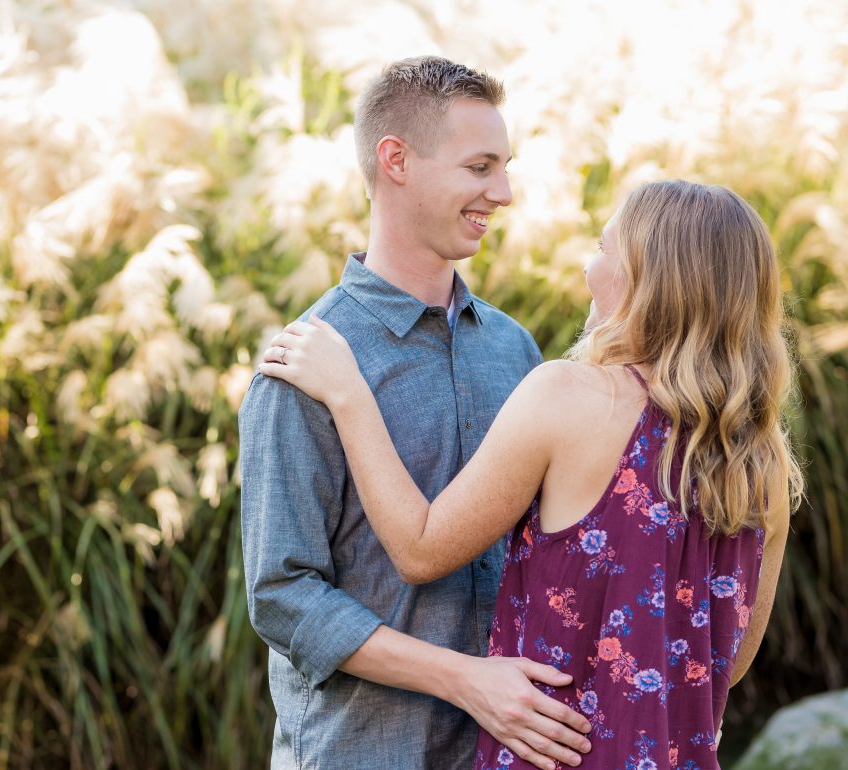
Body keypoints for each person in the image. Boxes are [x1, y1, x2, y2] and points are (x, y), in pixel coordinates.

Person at [258, 179, 804, 770]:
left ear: (649, 279)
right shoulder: (766, 464)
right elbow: (725, 657)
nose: (589, 270)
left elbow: (419, 549)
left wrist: (347, 395)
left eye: (603, 249)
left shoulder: (568, 395)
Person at [239, 56, 593, 770]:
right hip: (357, 753)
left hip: (505, 753)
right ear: (396, 160)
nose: (505, 191)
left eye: (506, 166)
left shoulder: (515, 350)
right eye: (480, 167)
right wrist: (464, 680)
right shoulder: (305, 364)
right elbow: (282, 594)